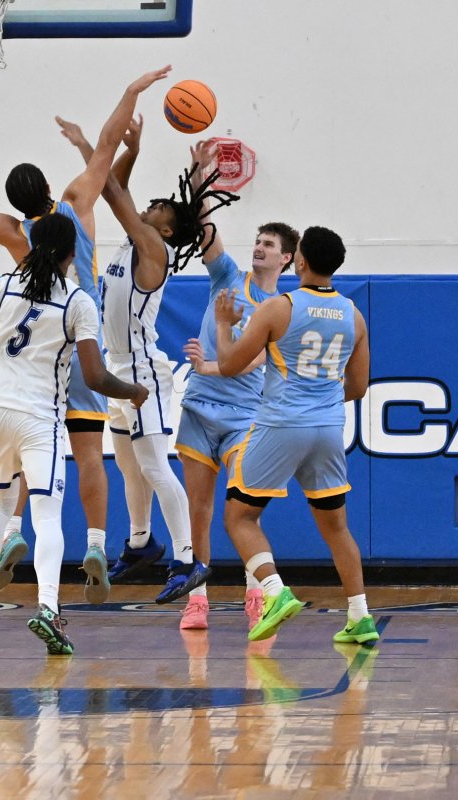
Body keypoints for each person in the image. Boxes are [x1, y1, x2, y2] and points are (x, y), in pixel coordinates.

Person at [0, 64, 170, 603]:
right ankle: (96, 542)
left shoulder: (11, 232)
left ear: (15, 202)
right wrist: (130, 90)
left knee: (28, 453)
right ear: (49, 189)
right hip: (82, 336)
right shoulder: (76, 205)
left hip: (36, 356)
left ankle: (11, 533)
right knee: (88, 452)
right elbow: (106, 148)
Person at [61, 115, 238, 603]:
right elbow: (117, 187)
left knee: (157, 466)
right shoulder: (134, 240)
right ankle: (142, 541)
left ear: (167, 226)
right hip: (114, 367)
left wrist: (91, 146)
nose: (153, 204)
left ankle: (189, 559)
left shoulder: (152, 245)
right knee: (127, 464)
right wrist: (126, 150)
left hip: (142, 370)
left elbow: (112, 192)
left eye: (160, 206)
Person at [0, 212, 148, 654]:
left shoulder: (3, 286)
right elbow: (96, 378)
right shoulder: (77, 301)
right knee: (45, 517)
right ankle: (47, 610)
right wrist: (133, 390)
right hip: (40, 418)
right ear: (69, 253)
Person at [215, 225, 379, 645]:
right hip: (327, 428)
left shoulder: (278, 307)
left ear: (300, 261)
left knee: (240, 515)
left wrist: (222, 324)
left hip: (282, 424)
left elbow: (231, 365)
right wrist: (320, 399)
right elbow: (358, 387)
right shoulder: (353, 314)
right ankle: (360, 615)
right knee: (336, 527)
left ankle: (274, 591)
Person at [175, 141, 300, 631]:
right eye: (258, 241)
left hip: (246, 415)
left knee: (243, 510)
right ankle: (198, 597)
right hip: (199, 409)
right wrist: (197, 175)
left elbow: (249, 365)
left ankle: (256, 592)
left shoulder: (283, 309)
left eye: (269, 245)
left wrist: (209, 366)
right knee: (198, 511)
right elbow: (205, 227)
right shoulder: (227, 275)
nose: (259, 247)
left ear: (286, 258)